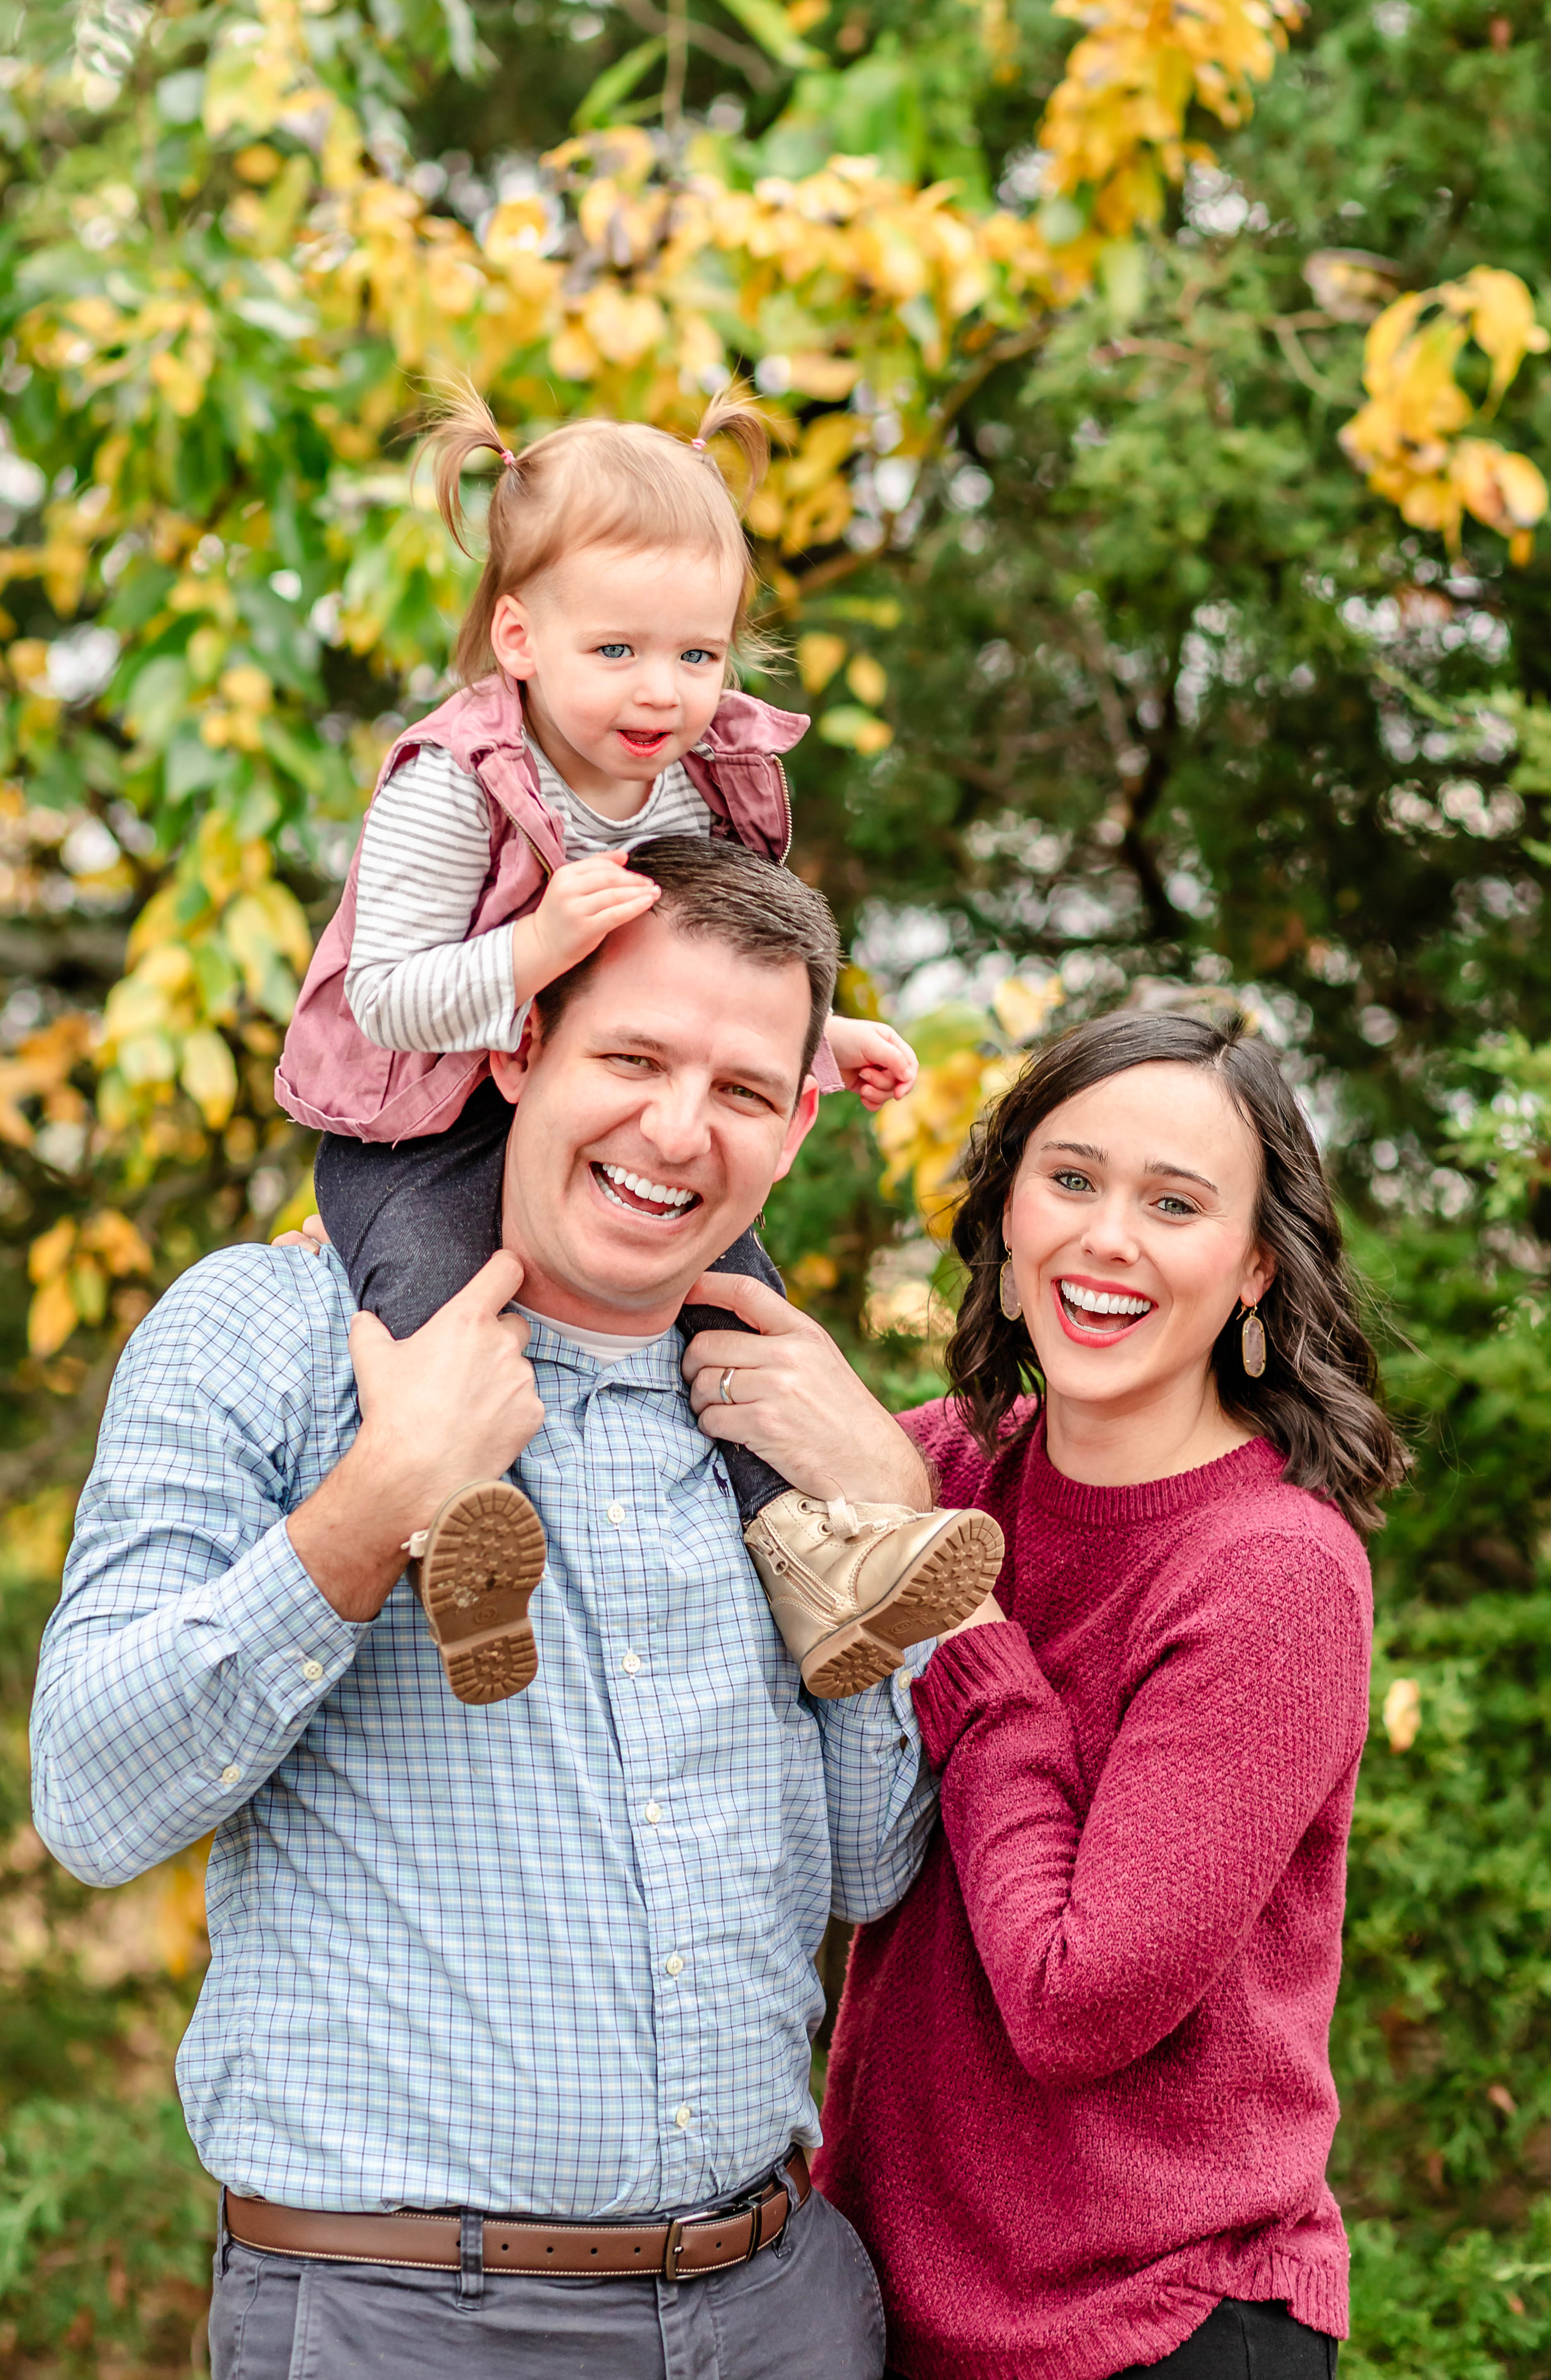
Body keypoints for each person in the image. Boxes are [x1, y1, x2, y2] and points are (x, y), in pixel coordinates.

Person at [31, 838, 956, 2380]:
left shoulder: (783, 1414)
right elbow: (90, 1800)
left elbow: (870, 1870)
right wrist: (377, 1503)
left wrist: (879, 1517)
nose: (678, 1129)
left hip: (774, 2307)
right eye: (633, 1058)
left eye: (740, 1090)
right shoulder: (270, 1334)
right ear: (519, 1047)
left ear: (797, 1126)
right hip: (405, 2322)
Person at [274, 380, 1000, 1705]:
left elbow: (689, 985)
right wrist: (533, 952)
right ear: (519, 635)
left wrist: (818, 1042)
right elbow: (383, 998)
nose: (662, 692)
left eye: (697, 656)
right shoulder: (453, 784)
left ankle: (814, 1553)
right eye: (615, 650)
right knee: (438, 1296)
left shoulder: (686, 777)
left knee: (740, 1302)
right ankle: (460, 1543)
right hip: (416, 1120)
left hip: (586, 1097)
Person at [813, 1008, 1410, 2380]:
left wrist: (963, 1626)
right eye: (1070, 1179)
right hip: (892, 2311)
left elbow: (1073, 2003)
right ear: (1005, 1212)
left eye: (1173, 1204)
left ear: (1255, 1267)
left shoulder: (1270, 1572)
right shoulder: (958, 1472)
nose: (1106, 1238)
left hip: (1158, 2325)